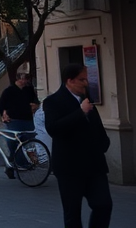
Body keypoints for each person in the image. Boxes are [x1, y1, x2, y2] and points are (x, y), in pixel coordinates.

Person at [43, 64, 112, 228]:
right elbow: (54, 128)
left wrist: (103, 143)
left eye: (86, 79)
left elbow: (97, 126)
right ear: (70, 81)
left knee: (103, 205)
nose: (86, 83)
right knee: (72, 213)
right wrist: (80, 112)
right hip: (70, 168)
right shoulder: (53, 102)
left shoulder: (87, 100)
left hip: (94, 165)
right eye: (82, 79)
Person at [0, 71, 40, 174]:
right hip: (14, 119)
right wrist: (3, 114)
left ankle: (11, 163)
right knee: (14, 142)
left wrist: (35, 105)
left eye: (26, 79)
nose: (24, 81)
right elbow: (1, 103)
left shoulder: (29, 89)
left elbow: (35, 100)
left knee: (27, 141)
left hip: (27, 118)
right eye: (23, 79)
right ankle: (22, 163)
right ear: (18, 79)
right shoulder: (9, 90)